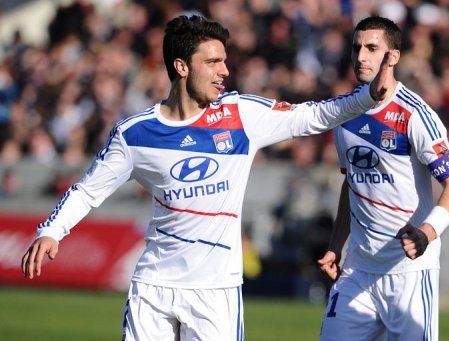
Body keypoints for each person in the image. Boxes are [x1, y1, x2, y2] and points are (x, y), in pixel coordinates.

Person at [21, 15, 392, 340]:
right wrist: (52, 230)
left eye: (224, 61)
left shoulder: (241, 115)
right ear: (182, 66)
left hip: (216, 291)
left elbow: (312, 115)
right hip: (153, 286)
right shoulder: (136, 134)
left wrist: (366, 98)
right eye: (213, 62)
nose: (224, 71)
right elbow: (88, 190)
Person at [317, 16, 449, 341]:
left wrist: (426, 233)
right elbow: (351, 183)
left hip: (409, 273)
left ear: (393, 56)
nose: (361, 57)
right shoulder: (345, 113)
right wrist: (335, 246)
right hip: (357, 270)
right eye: (357, 47)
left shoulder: (415, 114)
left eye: (372, 48)